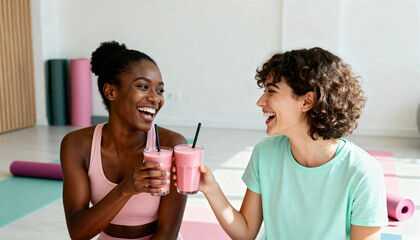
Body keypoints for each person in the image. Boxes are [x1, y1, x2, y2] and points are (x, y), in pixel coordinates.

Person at [194, 47, 388, 239]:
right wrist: (211, 189)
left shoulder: (363, 172)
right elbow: (246, 232)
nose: (260, 101)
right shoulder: (265, 153)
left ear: (307, 101)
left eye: (271, 91)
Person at [60, 41, 187, 240]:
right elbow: (78, 232)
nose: (155, 98)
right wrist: (125, 189)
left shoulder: (172, 144)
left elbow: (167, 233)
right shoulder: (77, 145)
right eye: (144, 86)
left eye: (160, 90)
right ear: (111, 92)